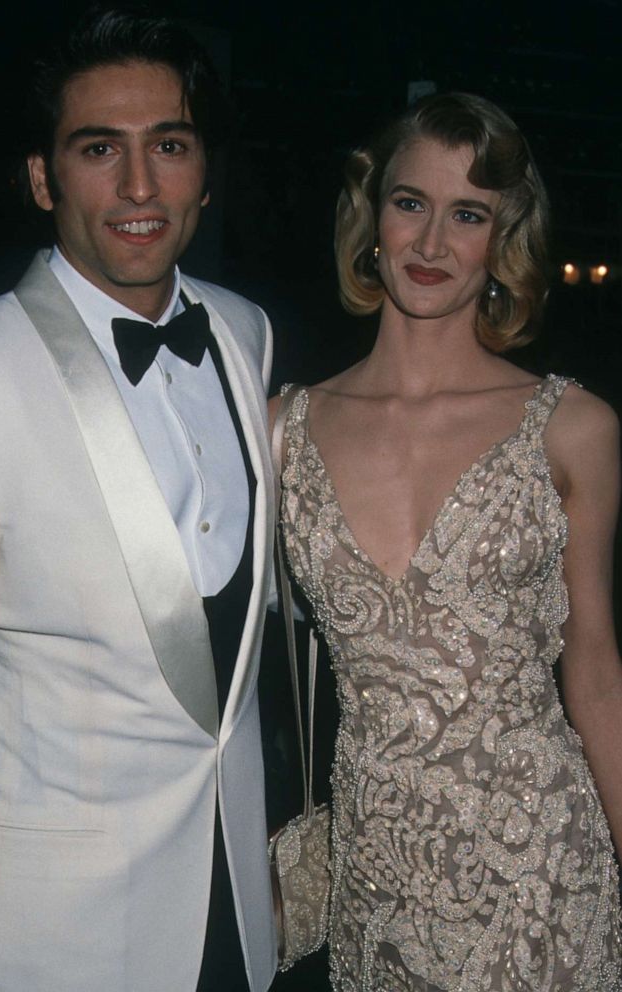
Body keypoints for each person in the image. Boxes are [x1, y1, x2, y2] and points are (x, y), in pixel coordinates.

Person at [0, 8, 278, 992]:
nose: (137, 186)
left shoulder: (245, 336)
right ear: (44, 179)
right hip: (47, 945)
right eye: (98, 149)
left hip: (233, 922)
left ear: (204, 170)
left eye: (167, 145)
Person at [271, 92, 622, 990]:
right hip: (376, 875)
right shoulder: (280, 428)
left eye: (467, 214)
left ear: (502, 240)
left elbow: (593, 671)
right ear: (371, 215)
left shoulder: (569, 427)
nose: (430, 243)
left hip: (540, 865)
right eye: (409, 203)